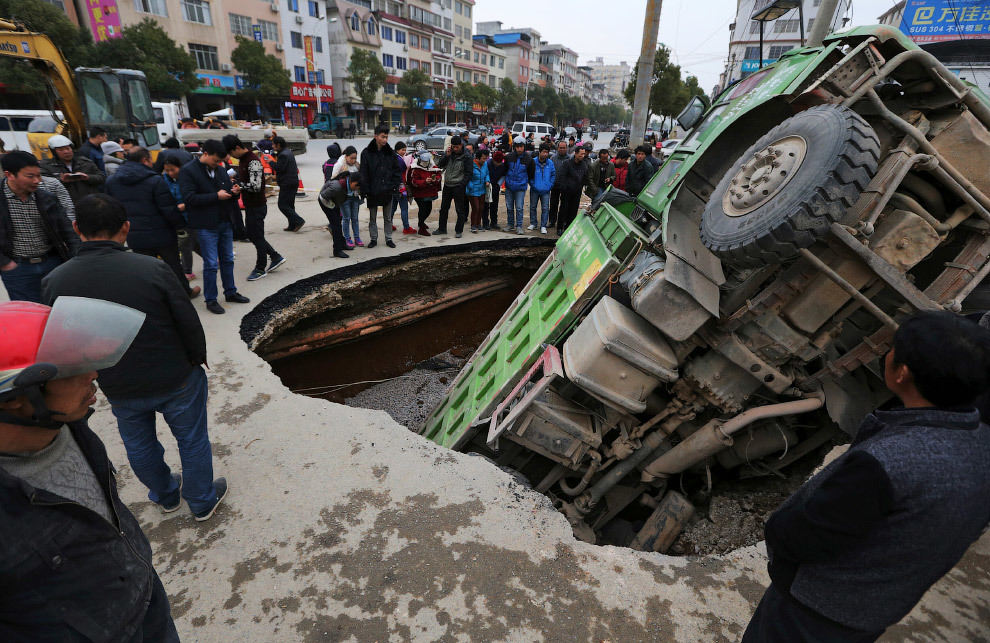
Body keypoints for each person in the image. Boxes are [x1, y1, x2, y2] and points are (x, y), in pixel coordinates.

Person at [743, 311, 990, 643]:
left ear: (902, 372)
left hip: (815, 608)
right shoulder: (981, 442)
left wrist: (778, 532)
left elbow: (810, 535)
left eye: (893, 349)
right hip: (876, 607)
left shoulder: (888, 463)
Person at [42, 194, 229, 527]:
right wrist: (197, 360)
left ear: (75, 228)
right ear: (126, 228)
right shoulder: (153, 268)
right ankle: (201, 501)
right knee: (192, 439)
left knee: (138, 443)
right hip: (175, 376)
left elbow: (63, 341)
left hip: (117, 382)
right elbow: (186, 319)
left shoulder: (55, 282)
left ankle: (166, 495)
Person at [0, 296, 180, 641]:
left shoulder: (67, 424)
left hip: (146, 596)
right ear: (14, 399)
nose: (92, 374)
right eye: (70, 368)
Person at [105, 147, 201, 299]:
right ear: (144, 160)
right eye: (151, 160)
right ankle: (184, 293)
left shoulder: (111, 181)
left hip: (134, 233)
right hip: (161, 233)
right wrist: (181, 226)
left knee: (145, 268)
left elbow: (112, 207)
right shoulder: (154, 180)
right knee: (173, 266)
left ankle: (154, 297)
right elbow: (168, 209)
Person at [178, 139, 250, 315]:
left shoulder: (221, 170)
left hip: (224, 221)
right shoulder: (189, 171)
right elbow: (190, 199)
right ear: (205, 154)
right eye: (216, 160)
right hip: (205, 224)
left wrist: (233, 192)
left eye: (221, 161)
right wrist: (216, 196)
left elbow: (224, 192)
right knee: (210, 264)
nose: (218, 164)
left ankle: (231, 292)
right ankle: (211, 300)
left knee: (227, 260)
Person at [0, 151, 79, 303]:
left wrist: (75, 258)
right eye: (30, 176)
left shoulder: (47, 198)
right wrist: (5, 263)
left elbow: (67, 231)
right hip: (18, 270)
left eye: (39, 175)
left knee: (59, 308)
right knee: (29, 313)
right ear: (9, 175)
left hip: (52, 263)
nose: (37, 180)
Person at [223, 135, 285, 282]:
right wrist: (238, 180)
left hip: (257, 205)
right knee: (253, 234)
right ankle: (275, 256)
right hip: (251, 205)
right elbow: (247, 179)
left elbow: (256, 186)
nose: (231, 156)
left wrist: (240, 186)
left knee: (256, 235)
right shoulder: (243, 160)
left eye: (231, 153)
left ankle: (260, 268)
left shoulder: (253, 161)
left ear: (237, 148)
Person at [358, 124, 402, 249]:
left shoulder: (391, 154)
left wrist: (394, 185)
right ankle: (373, 238)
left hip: (388, 190)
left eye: (387, 137)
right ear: (376, 136)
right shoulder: (366, 153)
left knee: (388, 217)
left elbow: (396, 171)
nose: (385, 140)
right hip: (372, 191)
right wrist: (365, 190)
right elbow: (364, 173)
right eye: (383, 137)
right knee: (373, 218)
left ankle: (389, 238)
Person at [39, 134, 105, 207]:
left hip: (90, 204)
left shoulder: (85, 162)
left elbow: (101, 177)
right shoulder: (46, 166)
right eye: (61, 150)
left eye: (68, 148)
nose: (66, 152)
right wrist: (61, 180)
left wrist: (87, 177)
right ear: (54, 152)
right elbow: (42, 185)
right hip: (64, 206)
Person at [162, 158, 197, 281]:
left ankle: (187, 272)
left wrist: (186, 206)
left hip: (189, 217)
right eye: (167, 170)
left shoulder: (188, 178)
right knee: (195, 243)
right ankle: (213, 259)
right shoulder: (164, 180)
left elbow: (196, 197)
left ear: (180, 167)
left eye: (173, 169)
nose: (170, 173)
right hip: (174, 217)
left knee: (185, 245)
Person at [435, 135, 473, 236]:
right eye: (453, 147)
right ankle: (442, 228)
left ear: (461, 145)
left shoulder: (467, 156)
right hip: (447, 185)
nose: (455, 149)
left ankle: (459, 230)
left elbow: (469, 173)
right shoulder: (449, 153)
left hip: (458, 186)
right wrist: (446, 155)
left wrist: (462, 185)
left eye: (457, 147)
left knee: (460, 209)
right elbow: (440, 165)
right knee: (443, 208)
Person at [318, 171, 361, 258]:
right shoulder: (336, 187)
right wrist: (332, 206)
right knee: (336, 226)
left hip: (335, 202)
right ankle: (337, 251)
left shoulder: (348, 186)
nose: (356, 188)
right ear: (351, 181)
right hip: (326, 202)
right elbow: (322, 197)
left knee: (338, 223)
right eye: (356, 185)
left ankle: (342, 244)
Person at [272, 136, 306, 232]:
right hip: (291, 182)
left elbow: (279, 168)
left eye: (273, 144)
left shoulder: (283, 155)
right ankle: (292, 225)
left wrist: (270, 162)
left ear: (278, 145)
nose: (272, 146)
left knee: (282, 205)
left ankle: (299, 220)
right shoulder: (287, 152)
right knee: (290, 205)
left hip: (287, 183)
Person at [332, 145, 362, 248]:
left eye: (355, 158)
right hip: (344, 197)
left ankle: (357, 237)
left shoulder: (357, 166)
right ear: (346, 156)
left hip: (355, 197)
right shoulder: (339, 165)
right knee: (346, 218)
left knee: (355, 218)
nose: (353, 160)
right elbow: (333, 180)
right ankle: (347, 238)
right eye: (351, 158)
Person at [503, 137, 534, 235]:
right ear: (514, 147)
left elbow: (531, 174)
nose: (519, 149)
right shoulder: (508, 157)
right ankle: (510, 224)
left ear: (524, 147)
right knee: (509, 206)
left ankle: (519, 226)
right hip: (509, 186)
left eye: (521, 147)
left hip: (520, 187)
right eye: (517, 147)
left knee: (519, 207)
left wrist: (524, 182)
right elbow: (505, 170)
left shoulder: (529, 159)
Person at [406, 152, 441, 236]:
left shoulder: (433, 166)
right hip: (418, 193)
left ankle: (421, 223)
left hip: (429, 192)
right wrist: (425, 181)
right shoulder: (414, 168)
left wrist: (434, 179)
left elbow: (439, 176)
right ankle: (421, 227)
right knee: (423, 209)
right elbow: (413, 181)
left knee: (428, 209)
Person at [556, 146, 589, 234]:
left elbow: (585, 177)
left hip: (577, 192)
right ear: (576, 153)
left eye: (584, 154)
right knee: (563, 209)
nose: (583, 155)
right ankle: (560, 227)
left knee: (573, 210)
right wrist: (564, 187)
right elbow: (561, 176)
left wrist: (582, 186)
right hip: (566, 191)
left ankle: (568, 227)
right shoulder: (567, 163)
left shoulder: (583, 164)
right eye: (581, 154)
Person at [528, 143, 556, 234]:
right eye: (544, 152)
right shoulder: (533, 162)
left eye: (547, 152)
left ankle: (543, 225)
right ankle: (533, 223)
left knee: (545, 208)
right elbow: (529, 175)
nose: (545, 154)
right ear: (539, 152)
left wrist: (550, 185)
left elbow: (553, 174)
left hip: (546, 190)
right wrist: (533, 185)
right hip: (535, 189)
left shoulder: (550, 163)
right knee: (533, 207)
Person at [390, 141, 415, 235]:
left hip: (393, 187)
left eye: (405, 149)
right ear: (397, 150)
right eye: (402, 150)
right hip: (400, 187)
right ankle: (406, 227)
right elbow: (402, 172)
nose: (404, 151)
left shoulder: (393, 158)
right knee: (404, 208)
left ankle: (389, 224)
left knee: (392, 208)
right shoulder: (399, 160)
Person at [465, 149, 491, 235]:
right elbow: (467, 176)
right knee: (475, 207)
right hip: (472, 190)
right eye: (483, 158)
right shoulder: (471, 164)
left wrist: (487, 180)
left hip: (482, 189)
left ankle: (478, 224)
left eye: (485, 158)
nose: (484, 160)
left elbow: (487, 173)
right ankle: (473, 225)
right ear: (478, 158)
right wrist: (471, 186)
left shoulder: (485, 164)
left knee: (481, 207)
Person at [548, 141, 571, 229]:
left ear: (566, 148)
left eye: (563, 148)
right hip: (555, 185)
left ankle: (563, 221)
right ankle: (552, 221)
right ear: (557, 148)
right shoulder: (553, 158)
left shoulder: (570, 159)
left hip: (566, 186)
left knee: (564, 205)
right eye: (560, 148)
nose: (562, 149)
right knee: (553, 203)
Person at [484, 150, 507, 230]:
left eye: (500, 162)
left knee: (494, 206)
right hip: (487, 186)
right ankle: (485, 222)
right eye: (497, 162)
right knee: (485, 206)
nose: (498, 164)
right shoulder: (487, 164)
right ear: (493, 160)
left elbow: (503, 176)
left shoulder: (502, 166)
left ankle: (494, 222)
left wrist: (498, 185)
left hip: (496, 187)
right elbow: (485, 174)